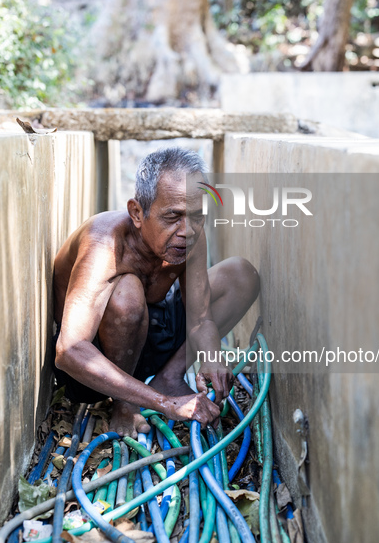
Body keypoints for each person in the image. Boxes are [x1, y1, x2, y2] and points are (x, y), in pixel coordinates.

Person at [53, 147, 259, 437]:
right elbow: (70, 351)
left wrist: (212, 355)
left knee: (241, 274)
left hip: (153, 333)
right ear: (137, 213)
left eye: (198, 216)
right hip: (94, 366)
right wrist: (165, 405)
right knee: (127, 293)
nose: (187, 230)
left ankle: (170, 376)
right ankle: (123, 404)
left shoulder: (189, 235)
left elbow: (200, 318)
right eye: (173, 216)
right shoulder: (104, 242)